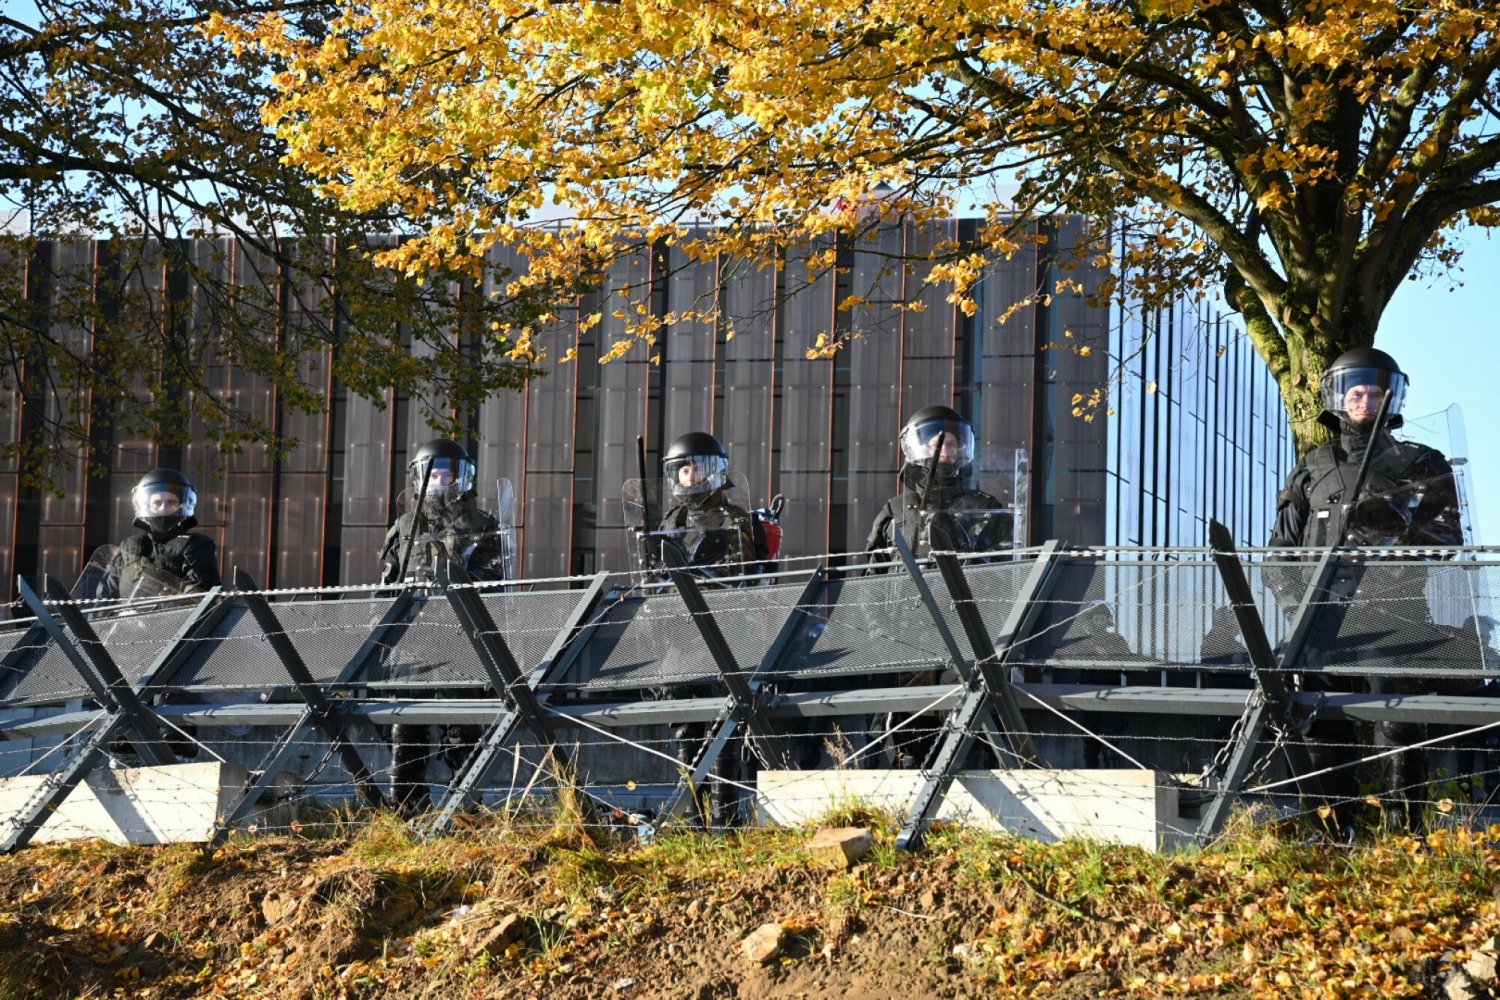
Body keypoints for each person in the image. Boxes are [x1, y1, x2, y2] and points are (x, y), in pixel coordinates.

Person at [1268, 346, 1463, 833]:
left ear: (1390, 398)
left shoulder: (1421, 461)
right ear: (1338, 397)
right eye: (1355, 392)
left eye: (1374, 392)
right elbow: (1280, 552)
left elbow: (1446, 542)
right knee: (1317, 719)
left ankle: (1407, 836)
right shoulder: (1311, 466)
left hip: (1395, 614)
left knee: (1398, 724)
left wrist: (1393, 529)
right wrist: (1299, 611)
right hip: (1321, 618)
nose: (1364, 401)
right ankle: (1333, 832)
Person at [379, 439, 509, 815]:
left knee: (463, 729)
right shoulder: (403, 527)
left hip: (461, 638)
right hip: (412, 642)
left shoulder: (482, 525)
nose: (440, 481)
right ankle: (406, 808)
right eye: (432, 474)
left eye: (446, 474)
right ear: (419, 478)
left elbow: (494, 582)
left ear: (461, 478)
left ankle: (465, 810)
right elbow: (386, 583)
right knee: (405, 728)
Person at [864, 405, 1013, 561]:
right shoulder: (895, 510)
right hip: (906, 585)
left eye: (952, 445)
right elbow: (874, 573)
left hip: (961, 585)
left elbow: (1000, 571)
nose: (945, 452)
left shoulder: (985, 509)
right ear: (920, 449)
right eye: (937, 445)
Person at [112, 468, 221, 596]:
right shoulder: (129, 546)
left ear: (182, 506)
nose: (163, 508)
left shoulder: (196, 546)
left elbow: (197, 596)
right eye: (157, 503)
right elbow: (104, 595)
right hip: (125, 615)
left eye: (171, 502)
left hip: (174, 616)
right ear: (146, 505)